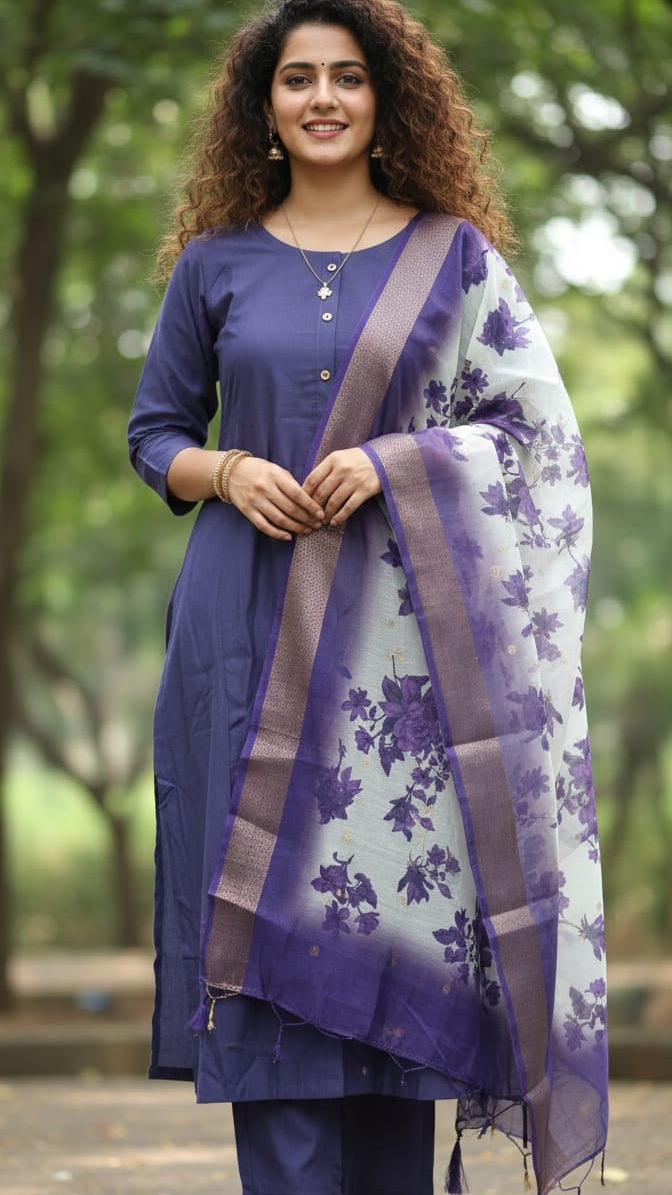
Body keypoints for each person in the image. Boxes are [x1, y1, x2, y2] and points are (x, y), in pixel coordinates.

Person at [128, 1, 608, 1192]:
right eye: (298, 78)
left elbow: (536, 440)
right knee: (264, 964)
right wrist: (228, 470)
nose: (324, 98)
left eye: (348, 75)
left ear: (387, 97)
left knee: (392, 993)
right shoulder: (215, 263)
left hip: (400, 668)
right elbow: (155, 435)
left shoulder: (456, 258)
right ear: (265, 106)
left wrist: (400, 461)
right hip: (243, 635)